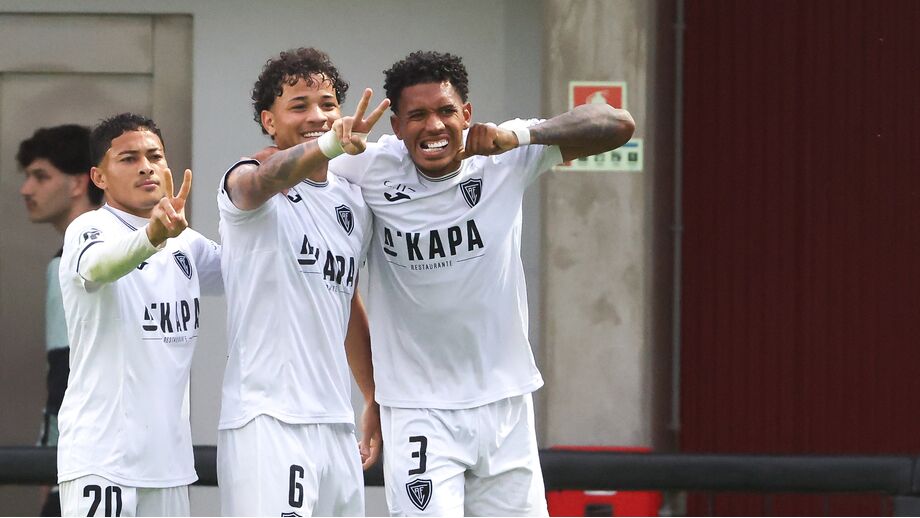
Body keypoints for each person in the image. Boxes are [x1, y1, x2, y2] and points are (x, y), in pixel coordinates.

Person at [330, 50, 636, 516]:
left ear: (466, 114)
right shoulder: (368, 168)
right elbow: (279, 170)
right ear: (396, 126)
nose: (433, 126)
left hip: (505, 404)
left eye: (445, 111)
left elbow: (616, 123)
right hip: (418, 411)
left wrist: (519, 135)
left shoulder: (505, 155)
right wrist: (329, 146)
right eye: (417, 116)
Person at [216, 47, 389, 517]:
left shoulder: (351, 201)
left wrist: (372, 395)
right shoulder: (247, 177)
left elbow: (345, 299)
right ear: (268, 121)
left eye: (328, 104)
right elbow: (256, 185)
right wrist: (330, 145)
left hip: (334, 425)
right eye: (299, 105)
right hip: (267, 420)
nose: (318, 116)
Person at [57, 113, 222, 516]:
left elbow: (252, 272)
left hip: (169, 467)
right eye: (128, 158)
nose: (146, 166)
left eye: (155, 156)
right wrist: (152, 236)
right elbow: (100, 266)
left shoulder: (187, 242)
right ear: (99, 177)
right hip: (103, 461)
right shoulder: (89, 228)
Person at [17, 124, 103, 516]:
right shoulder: (123, 244)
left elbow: (64, 375)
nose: (26, 190)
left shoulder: (65, 264)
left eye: (40, 176)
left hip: (81, 461)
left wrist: (48, 464)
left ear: (78, 183)